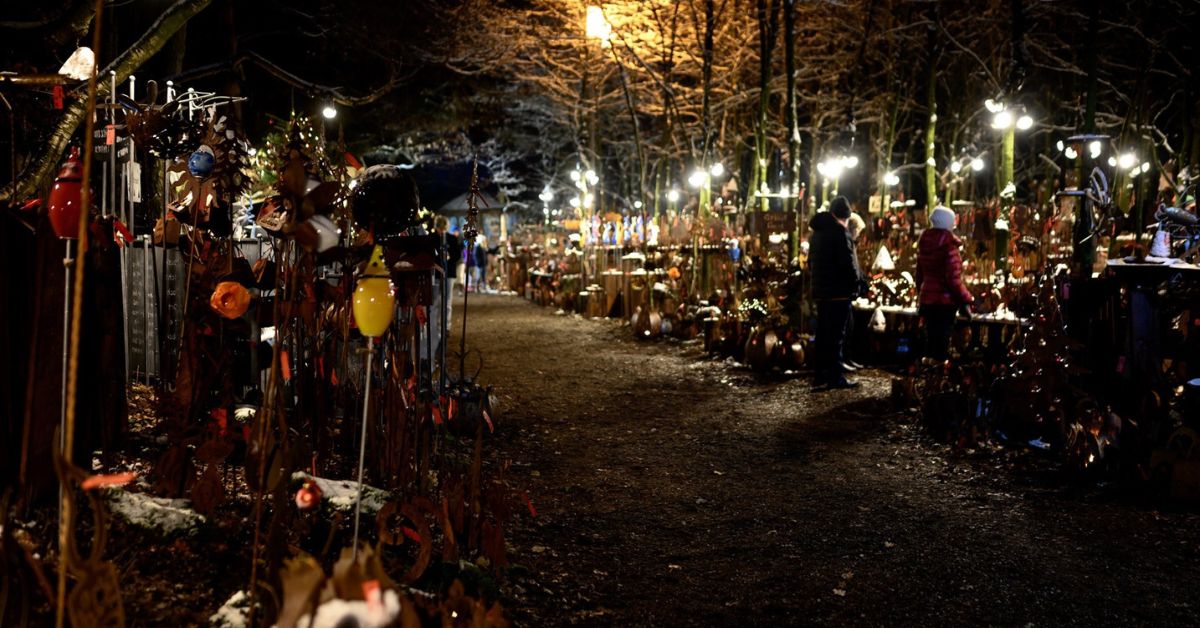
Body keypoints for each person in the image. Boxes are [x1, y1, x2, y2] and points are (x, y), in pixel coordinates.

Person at [809, 196, 866, 389]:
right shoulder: (840, 233)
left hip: (822, 292)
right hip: (838, 292)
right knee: (836, 337)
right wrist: (857, 284)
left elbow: (811, 262)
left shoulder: (817, 233)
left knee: (823, 335)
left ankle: (820, 376)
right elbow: (848, 264)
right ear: (846, 217)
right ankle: (835, 377)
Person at [915, 205, 973, 361]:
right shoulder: (949, 247)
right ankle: (938, 375)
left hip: (927, 298)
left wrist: (920, 294)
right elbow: (953, 279)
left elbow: (919, 275)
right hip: (944, 301)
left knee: (931, 338)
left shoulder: (924, 245)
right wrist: (966, 299)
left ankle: (929, 374)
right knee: (942, 340)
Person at [842, 211, 868, 372]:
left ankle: (847, 358)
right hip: (844, 292)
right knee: (846, 327)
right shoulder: (847, 242)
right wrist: (858, 281)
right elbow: (851, 267)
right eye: (858, 231)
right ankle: (844, 359)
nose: (859, 235)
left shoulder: (850, 243)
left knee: (848, 326)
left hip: (846, 292)